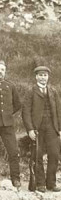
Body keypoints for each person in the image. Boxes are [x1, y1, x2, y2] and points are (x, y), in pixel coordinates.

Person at [22, 66, 61, 192]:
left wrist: (60, 129)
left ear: (48, 77)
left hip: (52, 127)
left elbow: (59, 111)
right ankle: (40, 183)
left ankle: (51, 183)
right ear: (36, 77)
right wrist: (30, 129)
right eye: (40, 75)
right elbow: (26, 112)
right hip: (37, 128)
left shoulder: (53, 91)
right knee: (37, 155)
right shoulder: (31, 92)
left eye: (45, 75)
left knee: (54, 154)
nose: (43, 77)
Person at [0, 60, 21, 188]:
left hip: (7, 124)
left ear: (5, 72)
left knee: (13, 151)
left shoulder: (10, 86)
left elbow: (17, 104)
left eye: (2, 70)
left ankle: (16, 179)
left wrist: (7, 114)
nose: (0, 73)